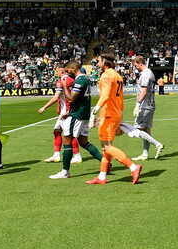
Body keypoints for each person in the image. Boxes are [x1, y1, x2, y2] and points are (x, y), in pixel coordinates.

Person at [85, 52, 142, 185]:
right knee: (107, 147)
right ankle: (102, 176)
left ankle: (133, 167)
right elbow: (120, 98)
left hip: (108, 114)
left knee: (106, 146)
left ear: (104, 62)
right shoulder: (117, 75)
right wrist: (120, 115)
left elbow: (104, 96)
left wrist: (94, 111)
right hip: (116, 113)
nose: (97, 63)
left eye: (98, 61)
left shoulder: (106, 75)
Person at [49, 61, 105, 179]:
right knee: (84, 142)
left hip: (77, 116)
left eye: (68, 70)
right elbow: (81, 100)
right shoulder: (86, 79)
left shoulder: (79, 81)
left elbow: (70, 99)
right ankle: (105, 163)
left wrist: (64, 86)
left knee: (67, 140)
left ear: (73, 68)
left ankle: (65, 172)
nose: (67, 73)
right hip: (84, 114)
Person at [39, 63, 82, 165]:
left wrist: (44, 107)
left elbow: (56, 97)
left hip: (65, 113)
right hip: (69, 111)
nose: (56, 72)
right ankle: (56, 155)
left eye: (57, 71)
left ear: (62, 71)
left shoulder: (61, 82)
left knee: (69, 135)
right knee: (57, 131)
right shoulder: (73, 80)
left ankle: (77, 156)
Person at [130, 56, 165, 161]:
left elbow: (144, 91)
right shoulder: (149, 72)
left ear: (139, 62)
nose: (135, 67)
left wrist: (138, 104)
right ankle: (145, 154)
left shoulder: (145, 74)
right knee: (146, 128)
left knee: (136, 129)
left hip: (145, 105)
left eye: (135, 65)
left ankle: (157, 144)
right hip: (150, 104)